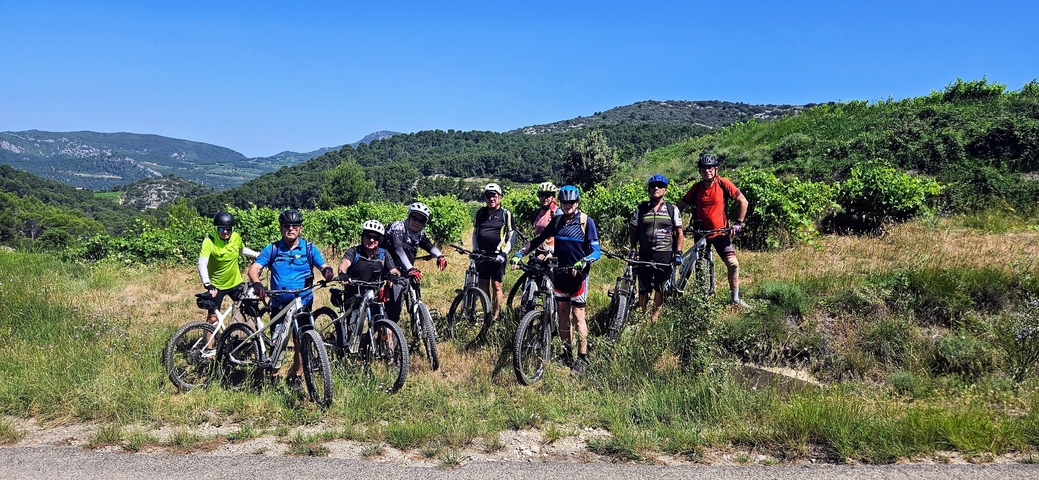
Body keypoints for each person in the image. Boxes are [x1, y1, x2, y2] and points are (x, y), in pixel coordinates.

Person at [511, 185, 601, 374]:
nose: (568, 205)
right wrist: (520, 253)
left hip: (578, 276)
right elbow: (538, 239)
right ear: (560, 203)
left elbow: (596, 251)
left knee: (578, 317)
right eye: (565, 202)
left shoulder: (586, 221)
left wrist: (584, 261)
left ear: (577, 203)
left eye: (571, 202)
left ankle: (582, 358)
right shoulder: (558, 220)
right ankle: (567, 353)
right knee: (562, 314)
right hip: (559, 273)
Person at [247, 209, 335, 388]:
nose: (291, 229)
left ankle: (297, 376)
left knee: (300, 340)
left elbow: (323, 265)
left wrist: (327, 271)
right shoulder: (272, 249)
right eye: (287, 226)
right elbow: (254, 268)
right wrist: (257, 284)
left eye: (295, 226)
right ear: (281, 228)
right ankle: (273, 375)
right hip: (279, 303)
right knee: (277, 340)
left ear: (300, 228)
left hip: (303, 302)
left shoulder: (309, 248)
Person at [676, 154, 750, 308]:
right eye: (703, 168)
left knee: (733, 264)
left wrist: (738, 223)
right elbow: (681, 206)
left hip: (721, 233)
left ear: (716, 169)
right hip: (701, 235)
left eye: (710, 168)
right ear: (700, 171)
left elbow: (743, 201)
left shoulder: (723, 183)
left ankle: (735, 299)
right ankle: (702, 302)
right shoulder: (696, 188)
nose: (707, 171)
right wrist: (674, 223)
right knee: (701, 270)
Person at [337, 220, 401, 357]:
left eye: (375, 238)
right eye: (368, 236)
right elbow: (344, 263)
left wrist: (394, 276)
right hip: (354, 295)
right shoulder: (354, 251)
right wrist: (343, 273)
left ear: (379, 240)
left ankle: (390, 360)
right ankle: (350, 356)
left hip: (375, 297)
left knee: (386, 329)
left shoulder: (383, 254)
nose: (371, 240)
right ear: (363, 236)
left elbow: (394, 269)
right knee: (353, 329)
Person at [628, 174, 684, 322]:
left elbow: (679, 232)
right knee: (643, 285)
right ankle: (642, 315)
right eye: (653, 186)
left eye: (660, 186)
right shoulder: (641, 209)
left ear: (665, 190)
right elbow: (633, 230)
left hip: (664, 253)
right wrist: (633, 249)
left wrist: (678, 252)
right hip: (645, 253)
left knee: (660, 286)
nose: (656, 188)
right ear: (649, 189)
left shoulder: (672, 209)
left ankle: (654, 317)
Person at [381, 203, 446, 325]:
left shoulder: (419, 233)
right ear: (409, 216)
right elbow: (398, 249)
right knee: (393, 314)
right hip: (391, 272)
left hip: (407, 271)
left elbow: (429, 246)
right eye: (414, 218)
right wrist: (411, 268)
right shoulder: (399, 227)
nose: (417, 222)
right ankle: (389, 337)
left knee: (416, 291)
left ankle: (419, 325)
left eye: (421, 221)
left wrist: (440, 256)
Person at [197, 211, 259, 327]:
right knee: (213, 318)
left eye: (228, 229)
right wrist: (207, 284)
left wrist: (257, 255)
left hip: (235, 283)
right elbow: (202, 263)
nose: (225, 232)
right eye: (221, 229)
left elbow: (241, 250)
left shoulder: (236, 237)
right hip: (216, 285)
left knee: (246, 310)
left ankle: (241, 340)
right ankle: (209, 346)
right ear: (216, 229)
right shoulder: (209, 241)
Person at [472, 183, 514, 322]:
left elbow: (511, 236)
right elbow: (475, 232)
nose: (491, 199)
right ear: (485, 198)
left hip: (497, 256)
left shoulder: (505, 214)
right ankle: (487, 313)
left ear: (499, 197)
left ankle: (496, 315)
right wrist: (474, 250)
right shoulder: (480, 213)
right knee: (483, 284)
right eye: (488, 196)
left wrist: (504, 253)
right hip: (482, 254)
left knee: (496, 285)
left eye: (494, 196)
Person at [515, 182, 561, 260]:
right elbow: (538, 236)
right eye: (542, 195)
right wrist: (521, 252)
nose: (544, 198)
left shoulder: (557, 213)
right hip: (539, 250)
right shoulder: (538, 212)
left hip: (553, 252)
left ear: (553, 196)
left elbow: (562, 237)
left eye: (547, 195)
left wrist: (551, 252)